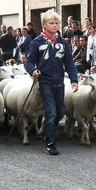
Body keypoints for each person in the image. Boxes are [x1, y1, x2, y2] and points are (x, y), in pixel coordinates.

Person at [26, 9, 78, 156]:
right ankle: (50, 142)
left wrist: (74, 79)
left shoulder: (62, 42)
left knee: (61, 112)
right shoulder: (36, 42)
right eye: (51, 23)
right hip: (45, 81)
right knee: (51, 112)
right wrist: (33, 71)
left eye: (57, 23)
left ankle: (48, 129)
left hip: (59, 81)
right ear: (44, 25)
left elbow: (69, 62)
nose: (55, 26)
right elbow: (29, 62)